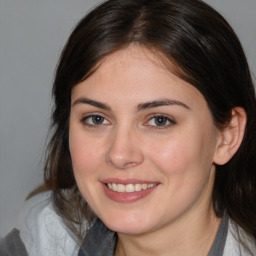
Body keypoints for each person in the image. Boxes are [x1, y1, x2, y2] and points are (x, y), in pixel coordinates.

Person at [1, 0, 256, 255]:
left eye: (159, 120)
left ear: (227, 136)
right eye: (96, 119)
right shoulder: (43, 236)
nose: (119, 154)